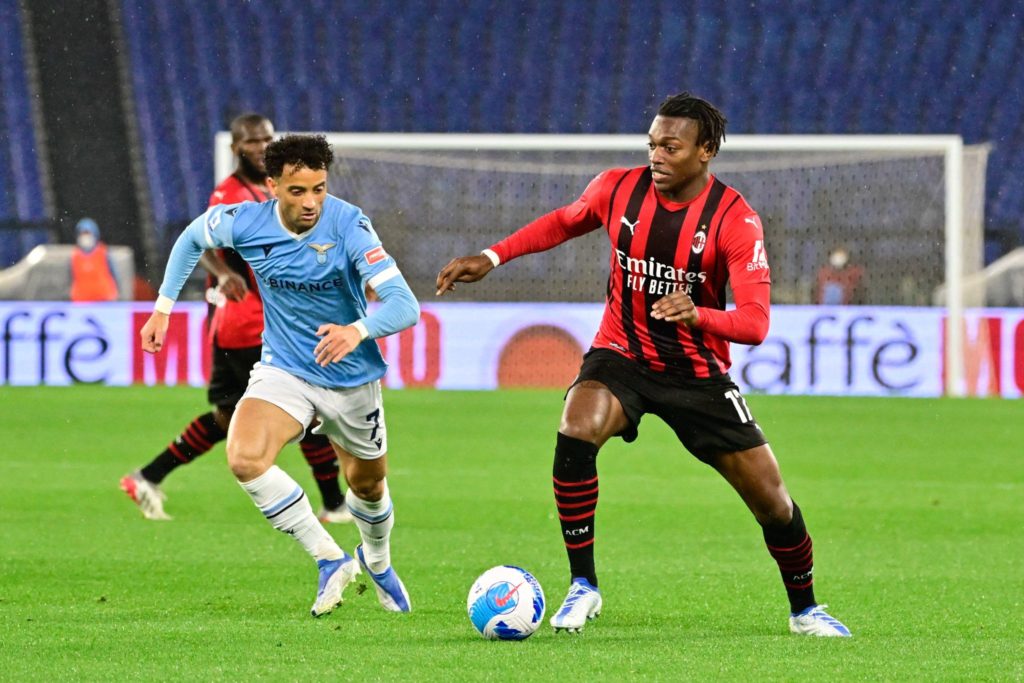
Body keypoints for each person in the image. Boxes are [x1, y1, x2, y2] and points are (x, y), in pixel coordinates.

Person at [436, 92, 851, 637]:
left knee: (772, 502)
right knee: (576, 427)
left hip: (697, 375)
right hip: (621, 355)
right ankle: (583, 586)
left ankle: (805, 610)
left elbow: (755, 323)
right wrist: (490, 258)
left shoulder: (735, 220)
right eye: (652, 144)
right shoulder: (617, 188)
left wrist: (700, 315)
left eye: (671, 147)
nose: (656, 155)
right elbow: (564, 222)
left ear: (705, 152)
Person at [140, 134, 420, 617]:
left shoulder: (350, 224)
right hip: (285, 369)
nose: (311, 202)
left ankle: (376, 561)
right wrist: (163, 308)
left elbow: (405, 306)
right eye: (298, 191)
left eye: (319, 189)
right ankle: (329, 558)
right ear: (272, 187)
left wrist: (358, 330)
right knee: (245, 457)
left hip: (351, 378)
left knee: (367, 486)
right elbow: (191, 238)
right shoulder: (245, 221)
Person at [121, 114, 351, 524]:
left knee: (228, 418)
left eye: (266, 138)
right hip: (247, 322)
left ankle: (147, 477)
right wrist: (224, 274)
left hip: (244, 322)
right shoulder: (229, 194)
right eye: (252, 141)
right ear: (235, 148)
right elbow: (200, 240)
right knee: (308, 409)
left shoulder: (272, 188)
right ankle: (334, 505)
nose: (261, 146)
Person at [70, 217, 118, 302]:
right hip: (81, 301)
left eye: (88, 234)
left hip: (104, 300)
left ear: (95, 235)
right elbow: (71, 278)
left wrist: (115, 293)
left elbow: (114, 274)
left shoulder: (104, 253)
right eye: (82, 234)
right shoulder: (74, 256)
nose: (85, 237)